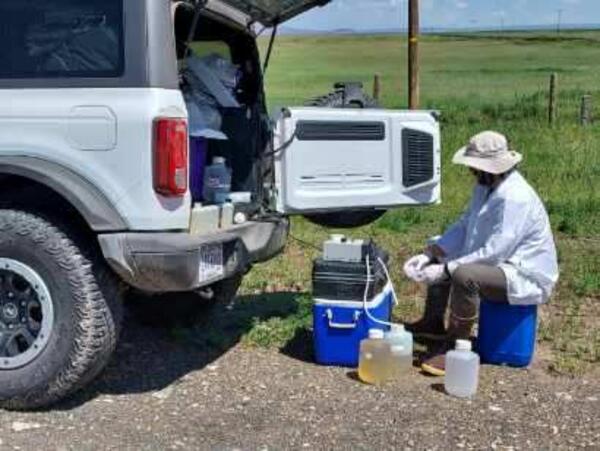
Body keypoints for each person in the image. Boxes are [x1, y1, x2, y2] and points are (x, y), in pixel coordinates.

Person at [403, 131, 559, 376]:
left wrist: (445, 269)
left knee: (464, 275)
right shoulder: (485, 186)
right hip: (500, 262)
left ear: (491, 168)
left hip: (523, 273)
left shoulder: (515, 198)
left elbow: (495, 252)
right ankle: (432, 322)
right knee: (444, 252)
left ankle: (455, 345)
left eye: (475, 167)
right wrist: (433, 252)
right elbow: (465, 224)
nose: (471, 172)